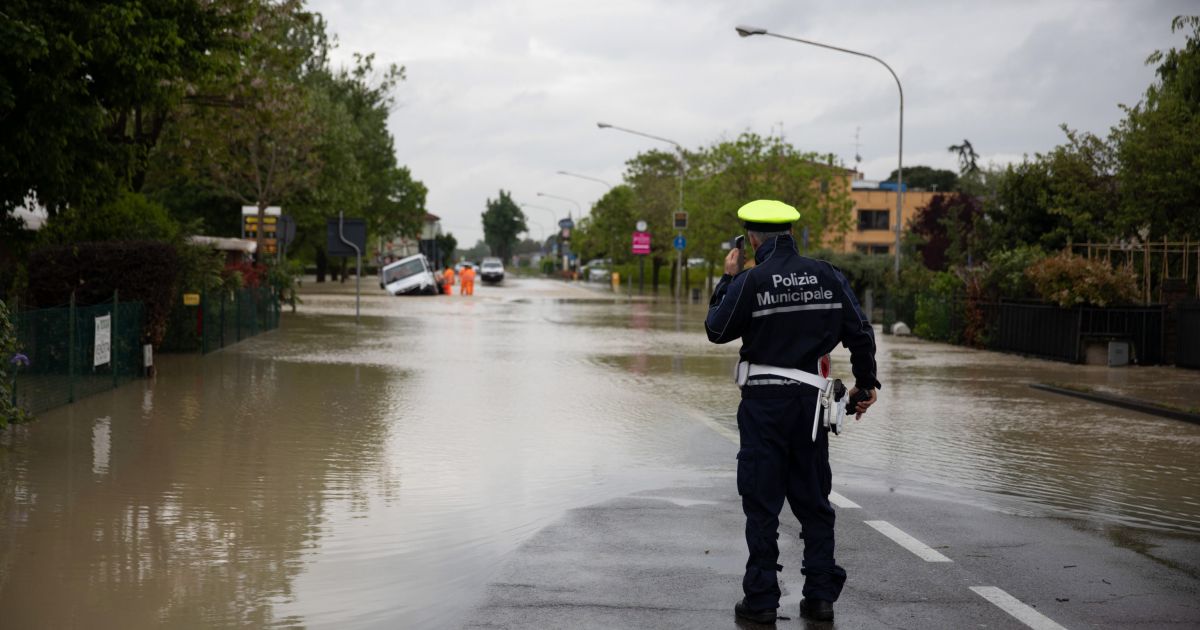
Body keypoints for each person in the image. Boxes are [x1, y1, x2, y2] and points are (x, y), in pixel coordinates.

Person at [704, 199, 879, 624]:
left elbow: (716, 330)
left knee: (762, 504)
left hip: (764, 407)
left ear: (750, 238)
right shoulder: (828, 275)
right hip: (811, 407)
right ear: (791, 233)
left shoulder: (751, 280)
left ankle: (762, 600)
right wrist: (866, 384)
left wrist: (727, 280)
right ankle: (820, 597)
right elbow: (860, 332)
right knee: (814, 501)